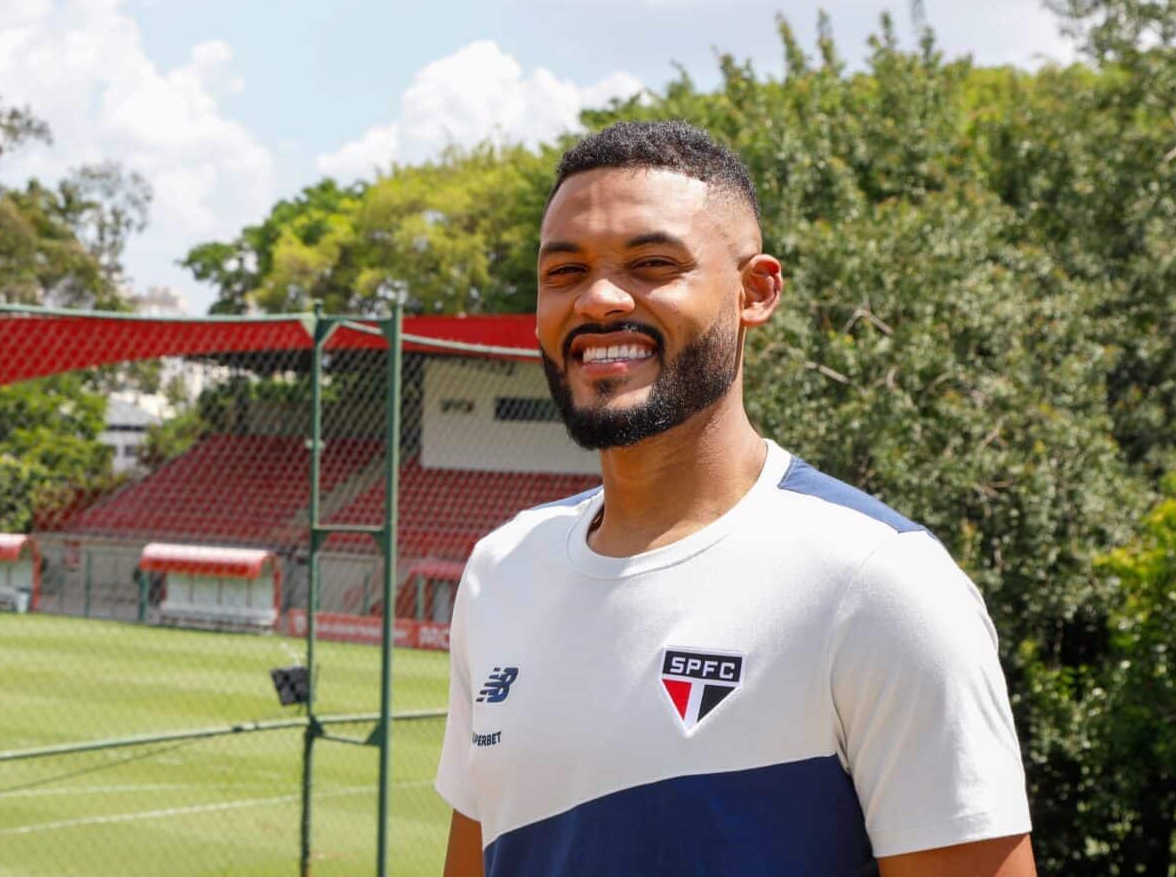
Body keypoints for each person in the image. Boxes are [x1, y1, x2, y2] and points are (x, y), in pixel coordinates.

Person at [436, 121, 1035, 877]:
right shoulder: (502, 570)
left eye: (653, 264)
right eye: (564, 271)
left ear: (756, 292)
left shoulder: (876, 583)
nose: (599, 299)